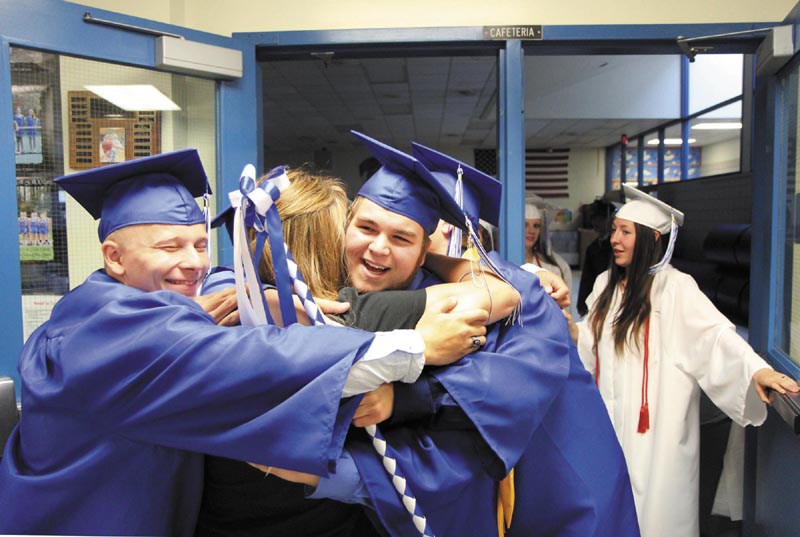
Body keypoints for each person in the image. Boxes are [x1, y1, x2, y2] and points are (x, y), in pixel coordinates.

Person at [0, 149, 483, 536]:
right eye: (169, 247)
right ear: (115, 257)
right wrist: (418, 348)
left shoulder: (150, 305)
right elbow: (252, 362)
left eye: (199, 244)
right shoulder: (106, 329)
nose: (193, 264)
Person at [273, 134, 638, 536]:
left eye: (405, 236)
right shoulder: (382, 289)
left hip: (563, 489)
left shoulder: (514, 296)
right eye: (367, 227)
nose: (380, 248)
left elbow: (500, 389)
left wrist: (400, 400)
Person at [195, 168, 517, 537]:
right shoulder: (349, 313)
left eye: (400, 238)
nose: (375, 248)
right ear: (325, 244)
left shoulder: (222, 313)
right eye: (355, 229)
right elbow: (501, 294)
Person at [573, 184, 800, 537]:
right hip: (610, 420)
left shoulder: (676, 289)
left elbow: (714, 336)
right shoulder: (605, 284)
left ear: (650, 238)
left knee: (656, 515)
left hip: (657, 432)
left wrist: (758, 369)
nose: (614, 239)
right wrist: (564, 328)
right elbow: (589, 340)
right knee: (610, 505)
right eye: (614, 229)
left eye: (626, 232)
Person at [577, 198, 615, 316]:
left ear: (609, 219)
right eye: (593, 218)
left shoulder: (616, 247)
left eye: (600, 218)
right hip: (596, 298)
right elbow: (587, 278)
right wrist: (582, 303)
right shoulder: (592, 248)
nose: (596, 223)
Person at [521, 202, 572, 287]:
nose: (531, 231)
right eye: (525, 225)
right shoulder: (501, 265)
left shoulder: (554, 268)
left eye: (536, 226)